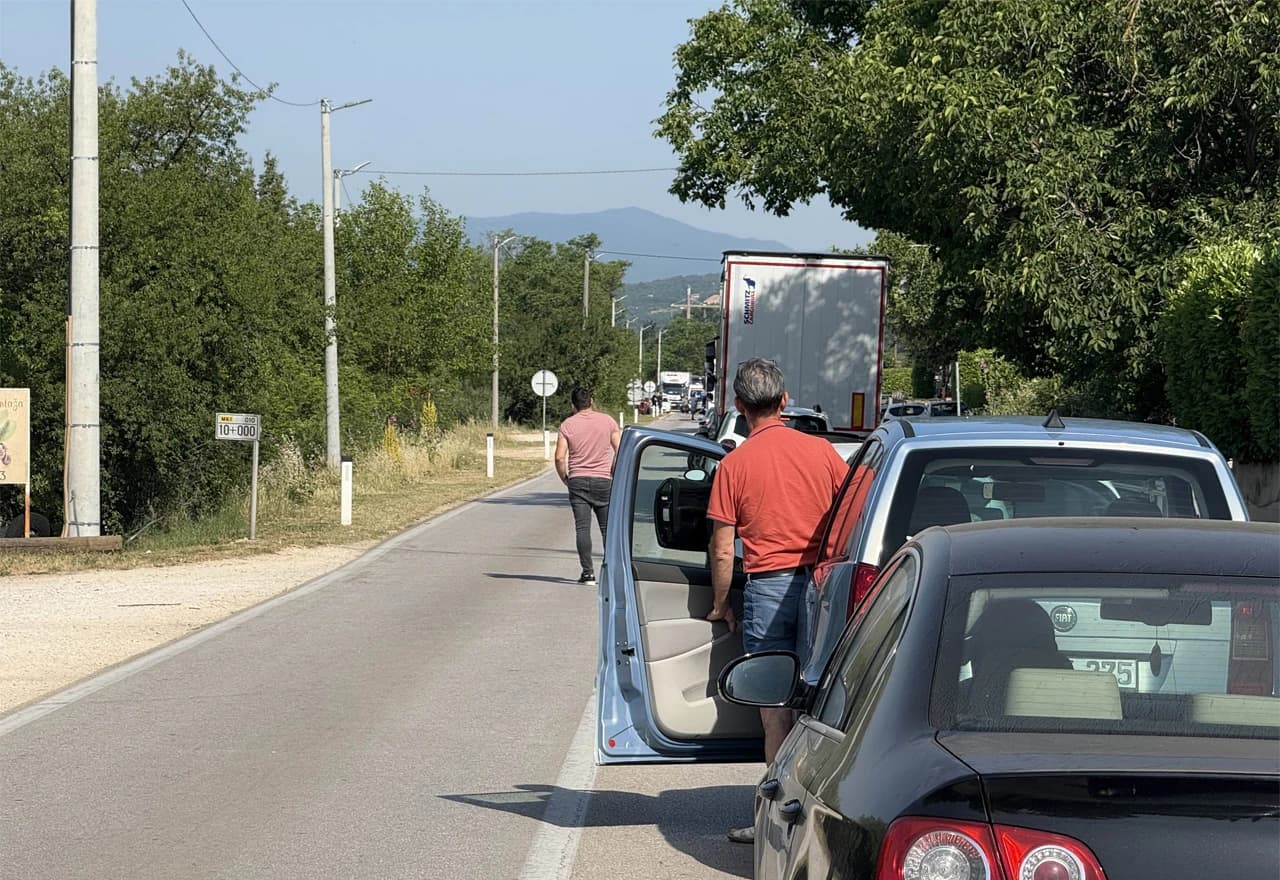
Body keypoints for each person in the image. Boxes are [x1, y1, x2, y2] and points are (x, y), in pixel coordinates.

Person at [704, 358, 849, 844]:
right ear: (785, 402)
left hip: (766, 587)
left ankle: (778, 817)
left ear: (740, 407)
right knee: (820, 702)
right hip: (823, 586)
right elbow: (854, 517)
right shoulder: (824, 453)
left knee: (775, 706)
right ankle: (822, 818)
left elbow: (723, 547)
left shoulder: (734, 464)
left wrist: (721, 603)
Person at [555, 386, 621, 586]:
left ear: (573, 405)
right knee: (607, 528)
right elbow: (619, 448)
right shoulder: (608, 421)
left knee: (582, 528)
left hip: (578, 480)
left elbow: (559, 457)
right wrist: (612, 471)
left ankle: (588, 573)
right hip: (603, 480)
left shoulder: (567, 425)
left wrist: (565, 478)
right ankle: (611, 572)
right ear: (591, 401)